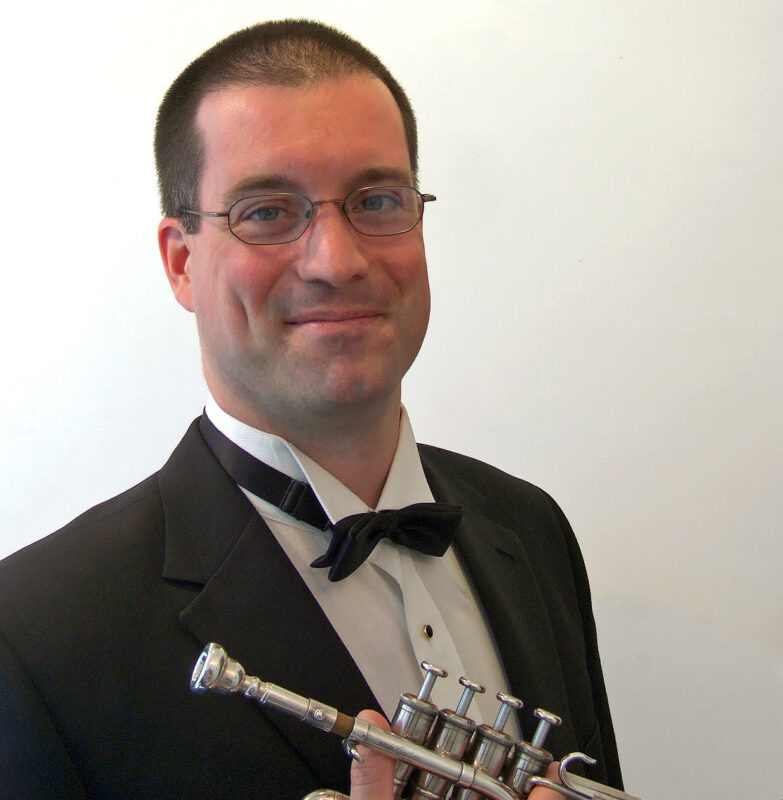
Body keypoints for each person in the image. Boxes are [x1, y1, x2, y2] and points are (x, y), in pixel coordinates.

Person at [0, 19, 622, 799]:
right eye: (265, 211)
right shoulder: (33, 634)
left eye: (377, 199)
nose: (336, 261)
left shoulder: (532, 532)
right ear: (182, 261)